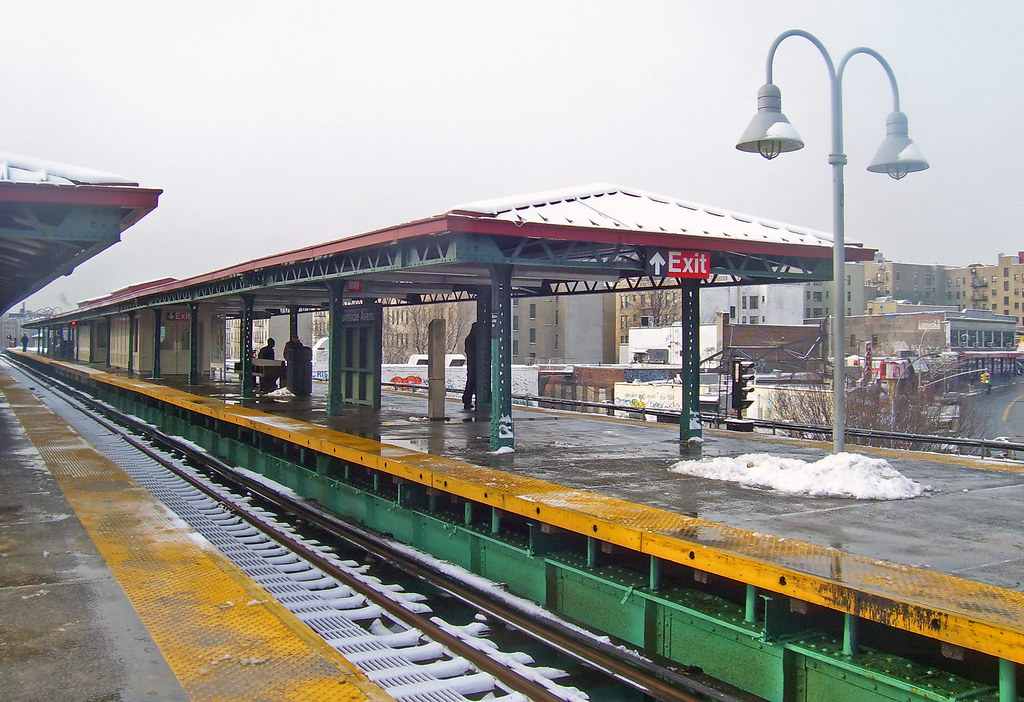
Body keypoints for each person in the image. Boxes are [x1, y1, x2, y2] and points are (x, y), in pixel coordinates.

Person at [462, 323, 477, 410]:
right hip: (475, 364)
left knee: (471, 382)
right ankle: (472, 400)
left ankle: (467, 400)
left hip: (470, 364)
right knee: (473, 383)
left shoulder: (468, 338)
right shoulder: (476, 339)